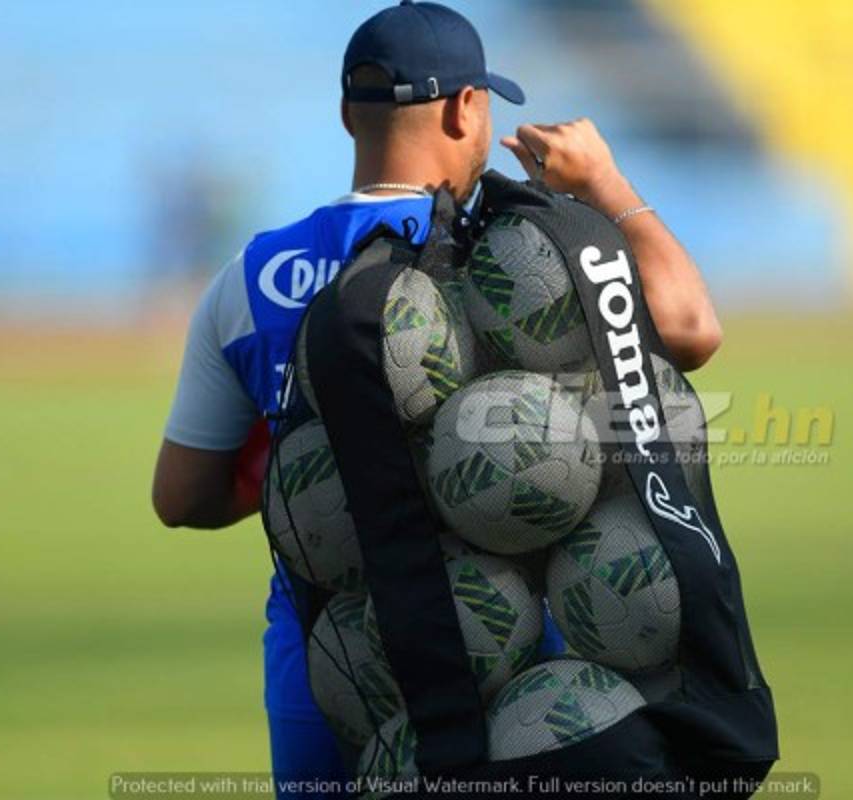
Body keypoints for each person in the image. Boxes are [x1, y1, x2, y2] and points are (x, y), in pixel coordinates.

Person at [151, 1, 722, 796]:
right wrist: (605, 184)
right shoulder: (526, 253)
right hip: (514, 655)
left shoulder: (251, 277)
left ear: (349, 114)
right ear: (467, 108)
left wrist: (331, 458)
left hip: (339, 661)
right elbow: (691, 329)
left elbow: (182, 497)